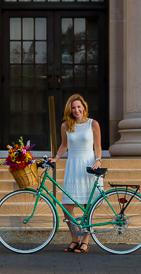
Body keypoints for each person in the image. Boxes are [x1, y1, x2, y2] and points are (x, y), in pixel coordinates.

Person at [50, 94, 102, 253]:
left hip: (89, 167)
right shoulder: (66, 126)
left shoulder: (93, 124)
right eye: (73, 108)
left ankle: (85, 241)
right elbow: (64, 145)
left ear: (84, 107)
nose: (76, 110)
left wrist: (98, 159)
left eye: (79, 107)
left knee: (89, 207)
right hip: (72, 167)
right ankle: (74, 239)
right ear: (70, 110)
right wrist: (56, 158)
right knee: (66, 206)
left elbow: (98, 146)